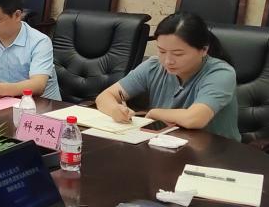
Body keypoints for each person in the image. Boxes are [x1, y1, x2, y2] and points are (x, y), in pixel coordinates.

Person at [95, 12, 240, 141]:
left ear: (204, 50)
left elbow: (195, 118)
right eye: (162, 51)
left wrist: (155, 113)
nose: (168, 61)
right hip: (166, 144)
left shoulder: (220, 73)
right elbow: (104, 97)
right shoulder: (153, 66)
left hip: (216, 153)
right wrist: (115, 109)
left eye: (178, 54)